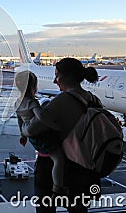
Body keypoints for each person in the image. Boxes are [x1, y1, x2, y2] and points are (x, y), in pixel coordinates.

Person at [20, 58, 102, 213]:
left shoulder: (63, 100)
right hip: (84, 167)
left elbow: (32, 130)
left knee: (46, 209)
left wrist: (23, 128)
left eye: (57, 76)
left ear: (68, 77)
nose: (54, 81)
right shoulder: (93, 99)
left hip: (55, 167)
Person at [15, 70, 67, 195]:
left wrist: (22, 135)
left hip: (32, 137)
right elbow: (42, 117)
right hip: (41, 136)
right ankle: (57, 186)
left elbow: (20, 121)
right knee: (59, 160)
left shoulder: (17, 103)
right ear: (33, 87)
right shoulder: (32, 102)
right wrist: (55, 126)